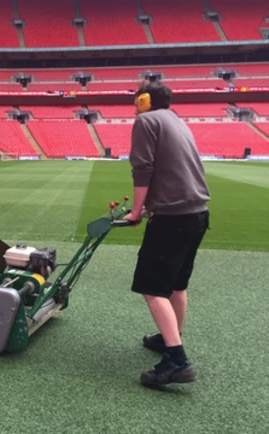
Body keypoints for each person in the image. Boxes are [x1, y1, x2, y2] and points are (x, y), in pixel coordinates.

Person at [123, 81, 211, 387]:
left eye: (138, 99)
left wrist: (136, 212)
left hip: (173, 218)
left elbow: (143, 168)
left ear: (145, 100)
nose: (136, 104)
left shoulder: (146, 121)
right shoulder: (176, 120)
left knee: (152, 288)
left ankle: (176, 360)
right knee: (176, 285)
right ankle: (169, 337)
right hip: (197, 214)